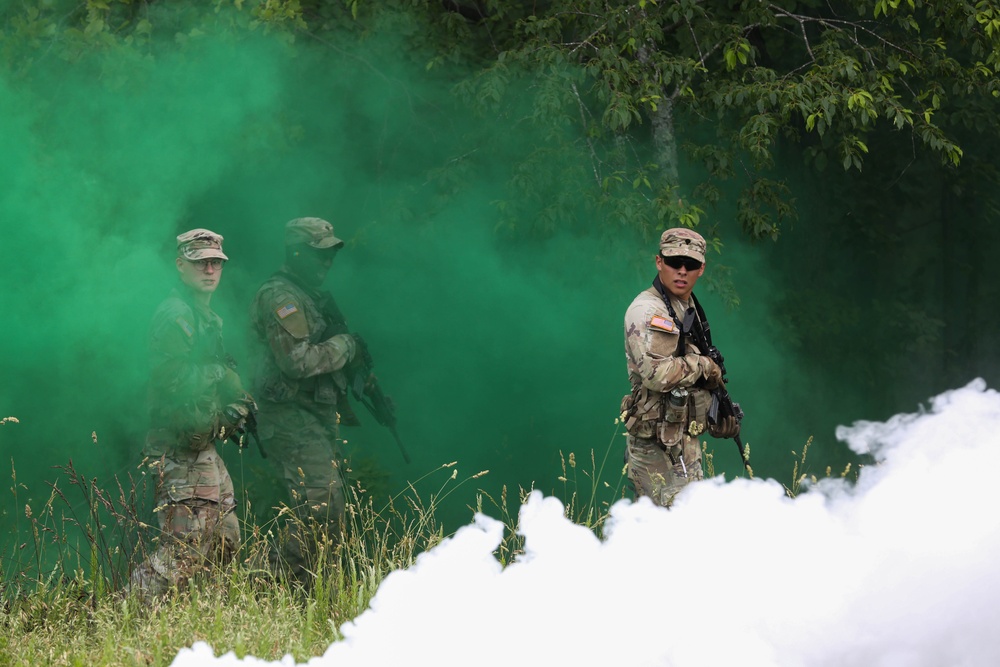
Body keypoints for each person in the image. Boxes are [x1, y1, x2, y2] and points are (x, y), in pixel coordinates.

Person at [130, 229, 255, 598]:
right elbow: (171, 379)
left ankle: (198, 617)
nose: (210, 269)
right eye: (201, 262)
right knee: (184, 549)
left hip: (200, 445)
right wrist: (222, 378)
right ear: (181, 266)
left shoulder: (203, 316)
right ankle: (124, 614)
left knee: (225, 537)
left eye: (216, 262)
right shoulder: (176, 316)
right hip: (179, 446)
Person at [248, 217, 361, 580]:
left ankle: (310, 592)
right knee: (322, 506)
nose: (326, 263)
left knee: (329, 513)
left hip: (313, 414)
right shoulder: (281, 296)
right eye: (318, 255)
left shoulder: (309, 295)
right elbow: (297, 362)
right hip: (288, 414)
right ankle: (262, 583)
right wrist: (346, 346)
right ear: (296, 253)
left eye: (330, 257)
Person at [621, 227, 740, 508]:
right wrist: (703, 366)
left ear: (702, 269)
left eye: (691, 264)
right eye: (675, 262)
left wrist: (716, 408)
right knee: (669, 533)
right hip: (657, 448)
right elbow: (656, 374)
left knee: (687, 531)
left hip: (682, 440)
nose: (682, 271)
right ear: (659, 262)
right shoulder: (649, 310)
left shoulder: (685, 305)